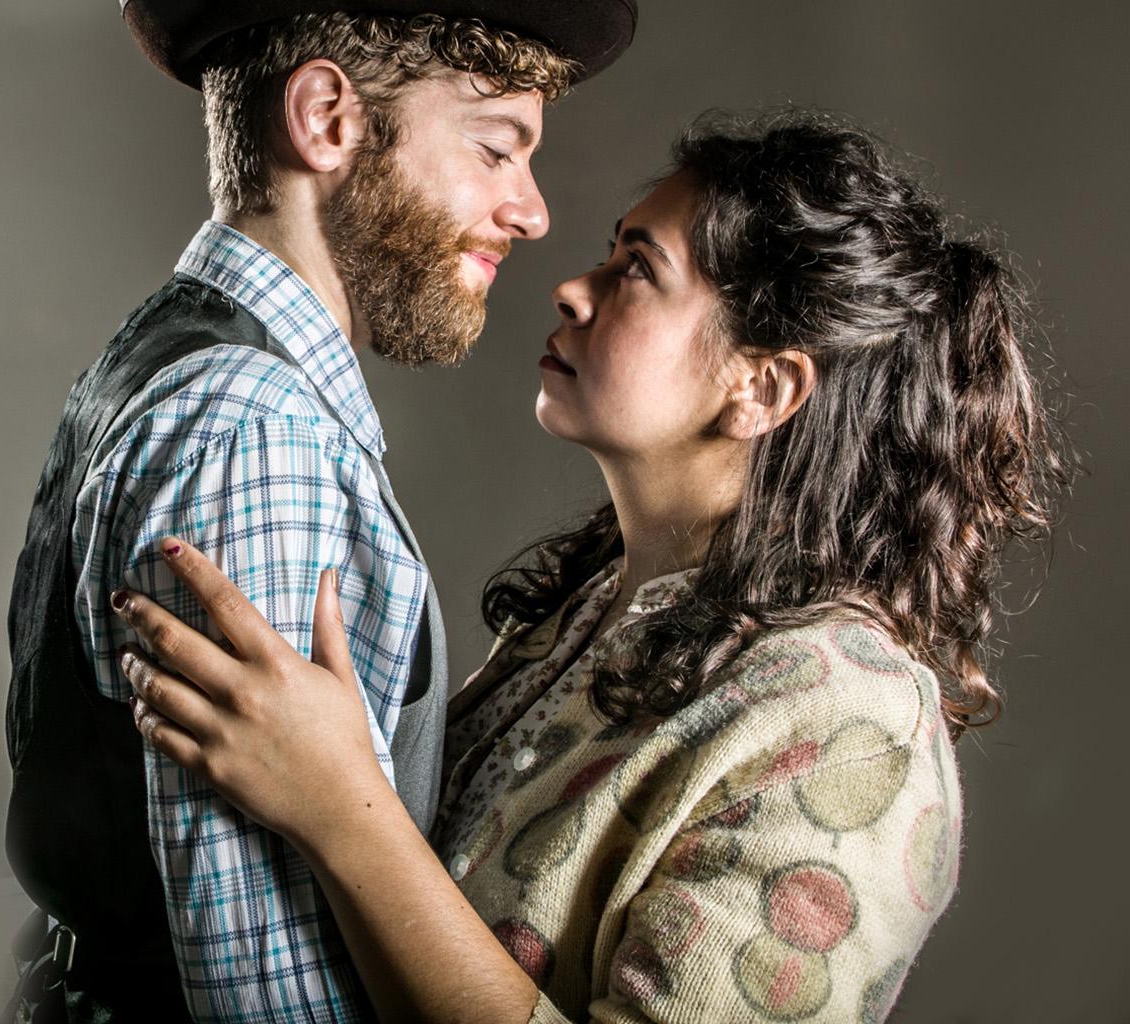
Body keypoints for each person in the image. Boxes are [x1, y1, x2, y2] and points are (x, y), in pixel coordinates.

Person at [116, 111, 1067, 1022]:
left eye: (638, 271)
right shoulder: (591, 612)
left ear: (763, 387)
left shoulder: (852, 723)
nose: (574, 287)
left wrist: (340, 809)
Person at [2, 0, 637, 1022]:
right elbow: (257, 972)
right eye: (497, 144)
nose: (534, 209)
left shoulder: (167, 355)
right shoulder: (254, 424)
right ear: (328, 117)